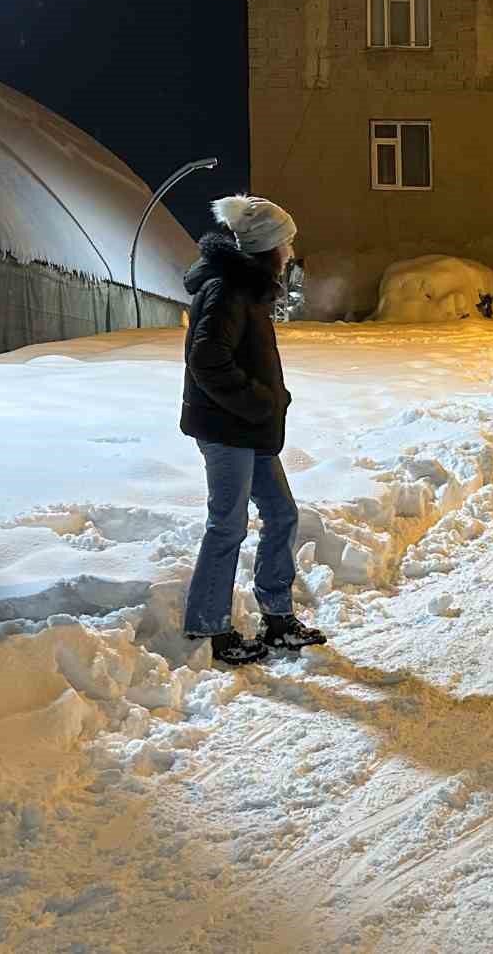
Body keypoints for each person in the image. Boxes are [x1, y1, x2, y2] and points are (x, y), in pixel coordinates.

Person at [181, 195, 327, 665]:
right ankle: (212, 627)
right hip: (228, 430)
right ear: (268, 249)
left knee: (282, 514)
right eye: (285, 245)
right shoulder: (226, 291)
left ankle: (277, 618)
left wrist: (264, 407)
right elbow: (207, 359)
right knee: (227, 524)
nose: (289, 254)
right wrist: (258, 402)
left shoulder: (245, 290)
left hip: (248, 429)